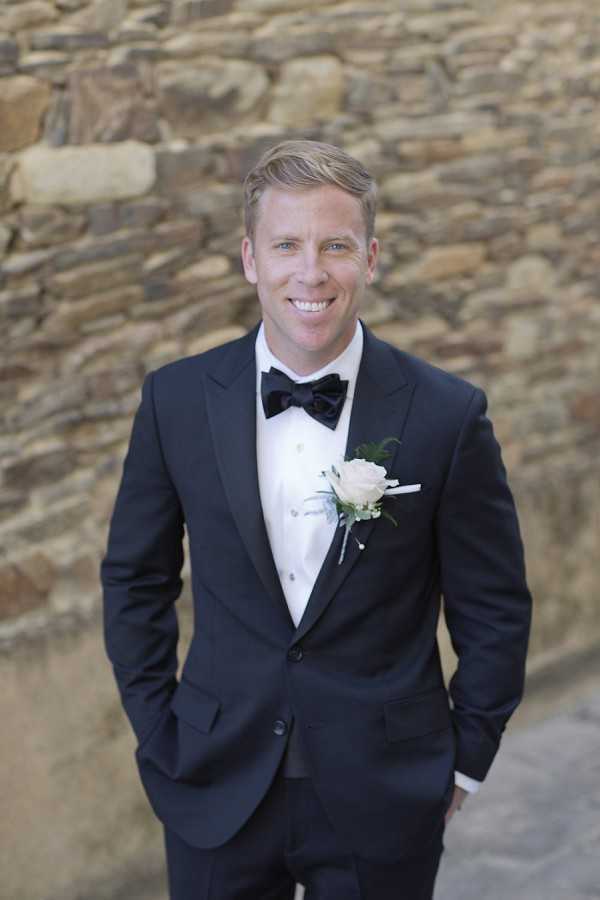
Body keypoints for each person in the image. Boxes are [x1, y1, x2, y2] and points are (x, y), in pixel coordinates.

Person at [101, 139, 532, 899]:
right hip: (214, 782)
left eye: (335, 245)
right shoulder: (174, 401)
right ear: (249, 259)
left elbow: (492, 607)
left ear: (371, 258)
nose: (311, 272)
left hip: (386, 792)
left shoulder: (445, 414)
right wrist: (160, 731)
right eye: (287, 245)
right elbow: (135, 580)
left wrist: (465, 758)